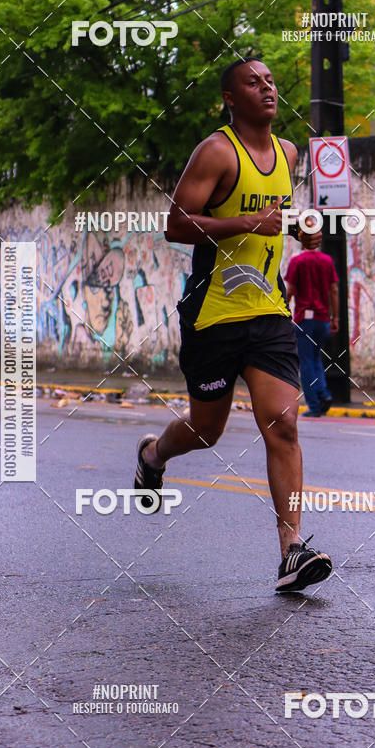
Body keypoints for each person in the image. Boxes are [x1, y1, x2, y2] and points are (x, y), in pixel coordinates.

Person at [134, 57, 332, 593]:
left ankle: (291, 550)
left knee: (283, 423)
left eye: (270, 81)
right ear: (230, 96)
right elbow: (177, 223)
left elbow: (275, 220)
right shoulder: (217, 151)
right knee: (206, 429)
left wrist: (300, 233)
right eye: (253, 82)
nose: (266, 88)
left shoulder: (290, 153)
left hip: (268, 310)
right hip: (213, 314)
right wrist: (248, 221)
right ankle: (153, 455)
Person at [285, 224, 340, 417]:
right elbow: (334, 290)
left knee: (306, 362)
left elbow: (290, 290)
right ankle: (324, 393)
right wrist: (335, 317)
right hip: (323, 319)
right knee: (316, 358)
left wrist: (283, 313)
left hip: (305, 319)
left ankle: (315, 405)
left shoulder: (297, 262)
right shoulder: (327, 261)